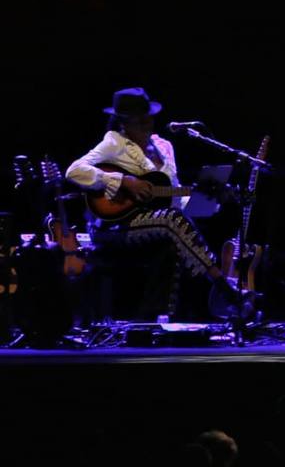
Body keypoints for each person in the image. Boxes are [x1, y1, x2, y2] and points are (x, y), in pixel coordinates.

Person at [65, 87, 231, 320]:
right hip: (114, 228)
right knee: (172, 222)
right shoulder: (114, 143)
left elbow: (174, 198)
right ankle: (223, 285)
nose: (147, 122)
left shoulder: (164, 147)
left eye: (148, 116)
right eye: (139, 119)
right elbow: (74, 171)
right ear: (124, 122)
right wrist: (124, 181)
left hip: (159, 224)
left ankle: (158, 318)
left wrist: (205, 199)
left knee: (173, 238)